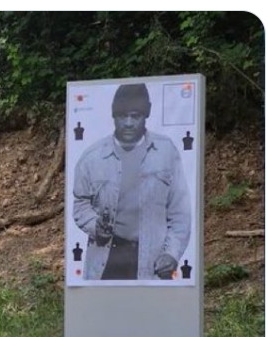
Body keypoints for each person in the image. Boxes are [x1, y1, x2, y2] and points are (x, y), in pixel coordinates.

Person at [72, 83, 190, 280]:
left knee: (150, 311)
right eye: (121, 116)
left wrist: (171, 253)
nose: (128, 123)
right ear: (113, 116)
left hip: (152, 261)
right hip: (106, 260)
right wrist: (95, 226)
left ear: (147, 115)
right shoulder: (92, 157)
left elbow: (180, 211)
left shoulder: (166, 152)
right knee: (104, 311)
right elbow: (80, 204)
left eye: (135, 116)